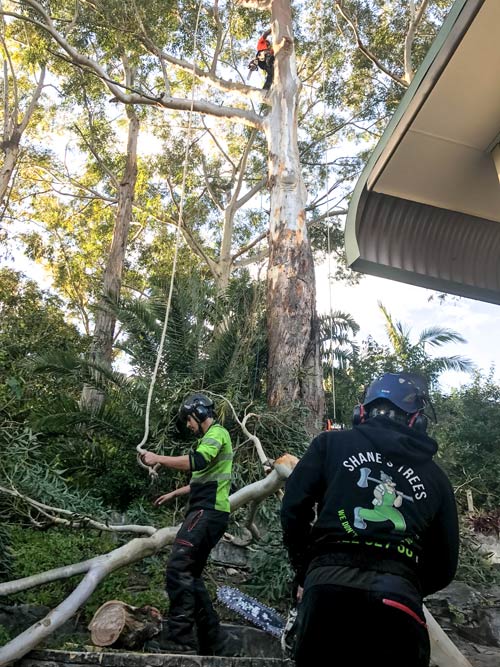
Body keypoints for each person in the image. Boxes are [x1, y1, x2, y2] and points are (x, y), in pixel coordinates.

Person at [280, 372, 459, 667]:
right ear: (417, 420)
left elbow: (292, 510)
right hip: (398, 600)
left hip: (326, 589)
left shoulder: (328, 445)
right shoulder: (436, 477)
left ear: (361, 412)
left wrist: (307, 570)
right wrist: (406, 581)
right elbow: (445, 563)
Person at [141, 393, 234, 656]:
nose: (188, 426)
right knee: (190, 574)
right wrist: (174, 493)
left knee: (178, 567)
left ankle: (180, 640)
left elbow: (199, 461)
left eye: (189, 420)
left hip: (206, 513)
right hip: (208, 513)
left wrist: (158, 457)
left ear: (199, 414)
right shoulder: (211, 438)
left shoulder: (216, 433)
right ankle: (214, 643)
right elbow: (202, 477)